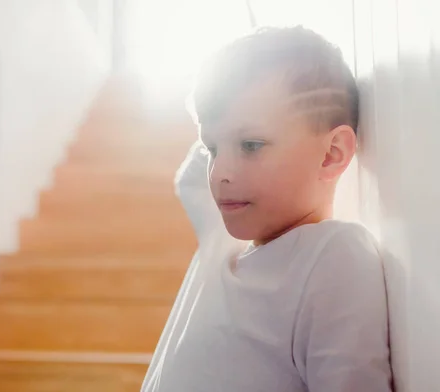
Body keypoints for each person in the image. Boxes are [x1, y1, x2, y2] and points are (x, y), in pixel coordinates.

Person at [142, 26, 393, 392]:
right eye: (213, 149)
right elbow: (190, 176)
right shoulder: (221, 241)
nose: (220, 173)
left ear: (332, 154)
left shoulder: (332, 257)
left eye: (251, 145)